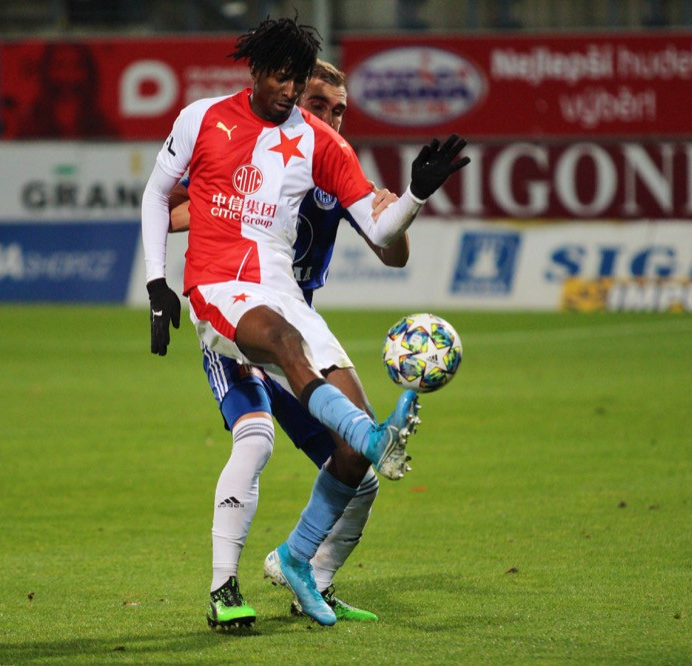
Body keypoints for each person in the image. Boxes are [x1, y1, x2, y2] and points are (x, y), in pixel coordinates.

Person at [140, 15, 468, 627]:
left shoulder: (321, 145)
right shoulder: (203, 119)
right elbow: (161, 197)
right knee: (258, 432)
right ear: (258, 70)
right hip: (221, 289)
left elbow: (383, 234)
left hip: (287, 297)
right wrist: (158, 282)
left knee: (353, 460)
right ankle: (223, 587)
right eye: (288, 82)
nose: (292, 95)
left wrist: (416, 195)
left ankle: (301, 561)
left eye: (306, 89)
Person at [168, 60, 409, 629]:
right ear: (296, 100)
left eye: (339, 111)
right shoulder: (259, 152)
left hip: (296, 331)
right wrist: (216, 209)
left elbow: (393, 254)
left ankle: (313, 582)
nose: (330, 118)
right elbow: (174, 206)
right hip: (241, 321)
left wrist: (398, 214)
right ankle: (223, 589)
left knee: (359, 475)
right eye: (318, 105)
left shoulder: (333, 168)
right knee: (255, 441)